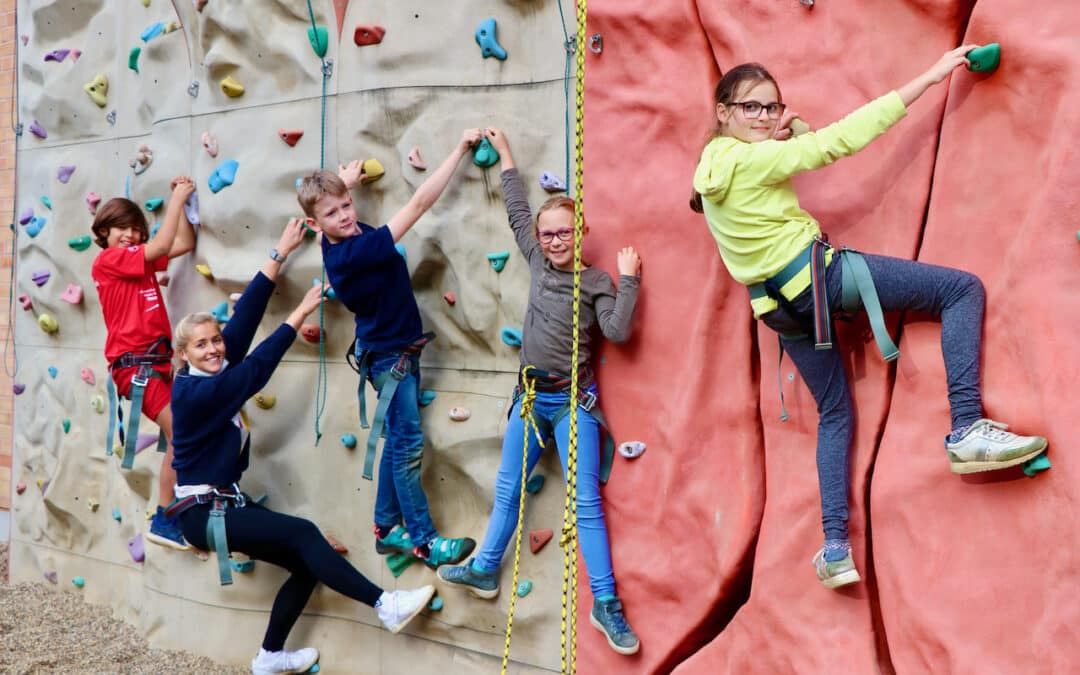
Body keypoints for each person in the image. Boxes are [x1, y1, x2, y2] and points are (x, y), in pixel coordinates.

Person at [690, 46, 1048, 589]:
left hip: (782, 314)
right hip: (821, 279)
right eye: (751, 108)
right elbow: (842, 139)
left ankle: (835, 546)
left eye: (771, 107)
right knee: (961, 290)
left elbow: (743, 183)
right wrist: (930, 73)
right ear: (722, 110)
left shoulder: (708, 170)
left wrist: (787, 136)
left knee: (835, 414)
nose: (764, 117)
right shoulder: (754, 159)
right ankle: (967, 428)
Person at [168, 219, 435, 675]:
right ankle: (385, 604)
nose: (214, 349)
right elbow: (254, 371)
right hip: (203, 514)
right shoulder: (195, 394)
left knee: (307, 561)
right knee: (304, 534)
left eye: (215, 340)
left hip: (222, 505)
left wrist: (280, 252)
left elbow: (246, 321)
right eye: (201, 345)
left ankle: (270, 656)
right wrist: (297, 317)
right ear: (183, 355)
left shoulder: (212, 371)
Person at [437, 128, 643, 655]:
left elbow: (618, 333)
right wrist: (506, 155)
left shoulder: (595, 282)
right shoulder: (532, 256)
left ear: (581, 231)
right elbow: (517, 210)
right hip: (530, 399)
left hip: (574, 402)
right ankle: (485, 569)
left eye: (564, 233)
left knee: (586, 505)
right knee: (507, 490)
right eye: (548, 235)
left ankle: (605, 604)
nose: (554, 241)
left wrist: (628, 280)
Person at [297, 129, 482, 570]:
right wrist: (458, 148)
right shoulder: (355, 252)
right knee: (408, 447)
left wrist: (344, 184)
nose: (344, 216)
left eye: (346, 206)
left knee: (398, 441)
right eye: (332, 213)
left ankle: (385, 527)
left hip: (392, 354)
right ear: (312, 225)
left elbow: (332, 205)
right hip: (391, 359)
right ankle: (423, 539)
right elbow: (419, 205)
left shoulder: (334, 236)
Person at [90, 177, 197, 550]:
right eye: (124, 228)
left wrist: (182, 206)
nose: (132, 235)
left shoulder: (141, 265)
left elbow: (184, 243)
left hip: (157, 366)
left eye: (137, 229)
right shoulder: (109, 260)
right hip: (136, 368)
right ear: (104, 231)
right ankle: (166, 518)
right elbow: (165, 242)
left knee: (180, 435)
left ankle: (173, 509)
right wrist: (177, 197)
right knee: (182, 433)